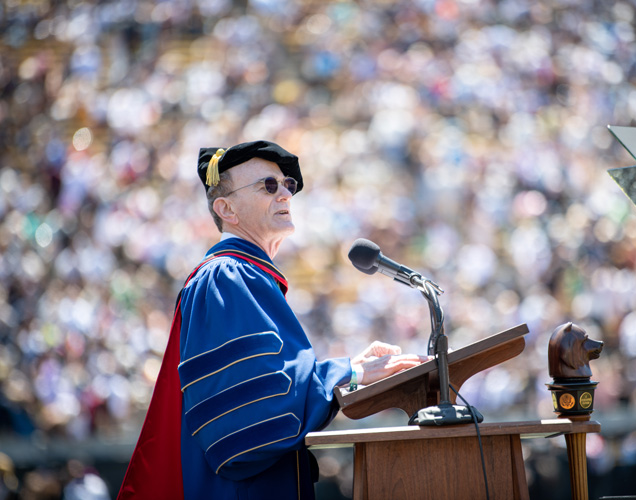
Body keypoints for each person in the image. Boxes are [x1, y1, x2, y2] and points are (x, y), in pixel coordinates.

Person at [117, 141, 430, 499]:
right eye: (268, 185)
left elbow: (271, 380)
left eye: (287, 185)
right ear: (227, 208)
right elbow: (252, 414)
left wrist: (352, 370)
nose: (285, 193)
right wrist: (350, 373)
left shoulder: (247, 277)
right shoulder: (227, 277)